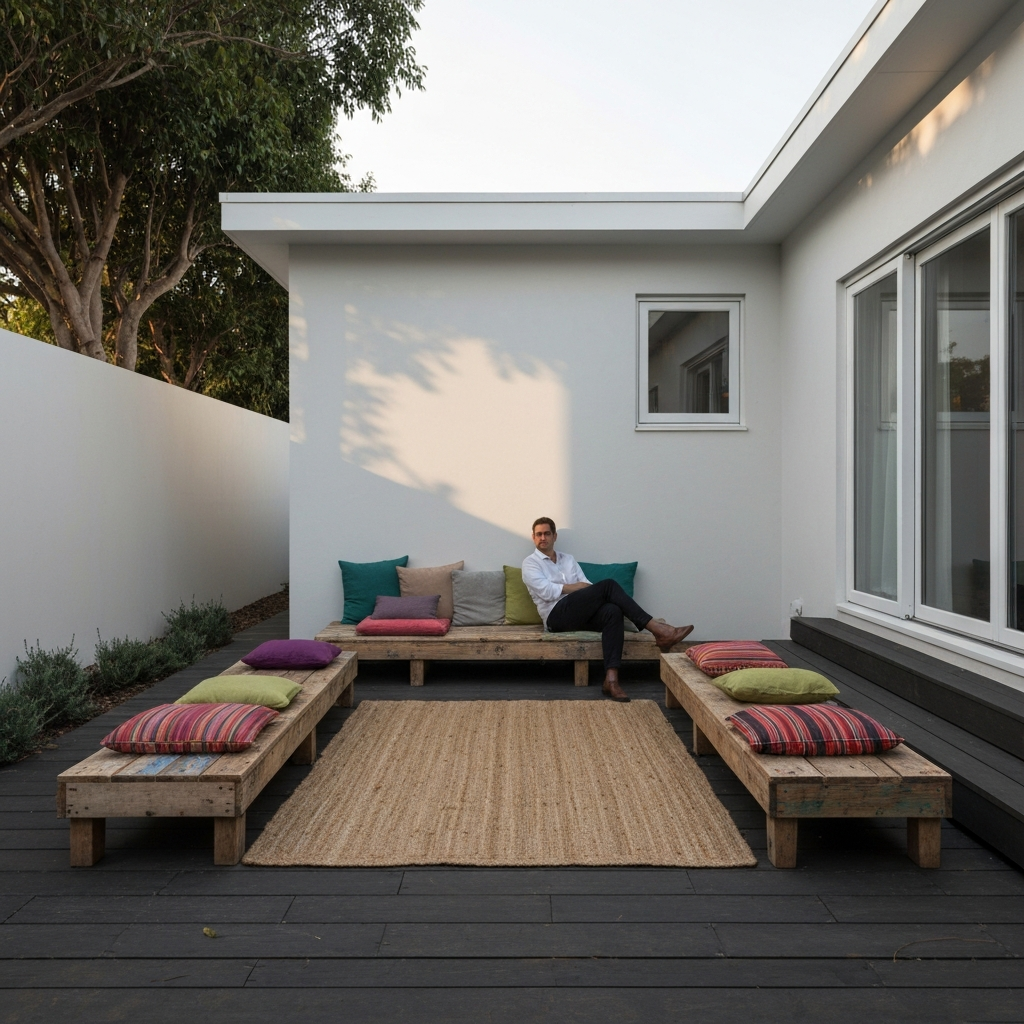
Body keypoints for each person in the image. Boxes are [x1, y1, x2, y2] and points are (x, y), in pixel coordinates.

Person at [521, 517, 693, 702]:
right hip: (556, 617)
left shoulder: (567, 559)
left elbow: (586, 584)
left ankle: (611, 680)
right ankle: (659, 630)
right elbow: (547, 592)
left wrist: (576, 588)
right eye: (538, 534)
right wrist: (574, 587)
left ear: (555, 536)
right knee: (608, 585)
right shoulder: (530, 563)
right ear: (533, 537)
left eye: (547, 533)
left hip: (578, 612)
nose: (543, 538)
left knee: (612, 611)